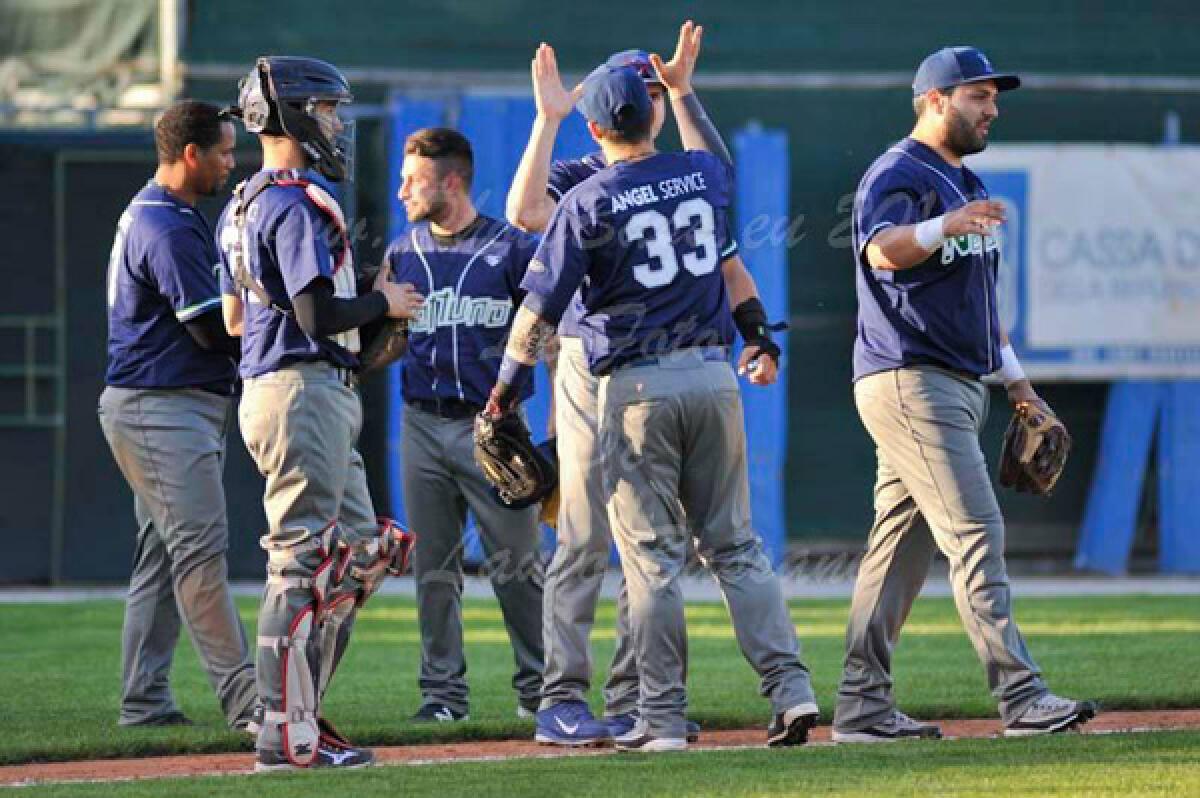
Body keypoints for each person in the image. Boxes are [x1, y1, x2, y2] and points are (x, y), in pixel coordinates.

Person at [487, 62, 819, 752]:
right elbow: (715, 175)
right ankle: (790, 690)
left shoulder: (592, 195)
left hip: (631, 385)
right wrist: (686, 89)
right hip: (707, 374)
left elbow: (538, 307)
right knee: (729, 547)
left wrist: (505, 390)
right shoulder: (699, 176)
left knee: (651, 560)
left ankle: (655, 714)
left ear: (595, 122)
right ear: (655, 112)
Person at [832, 46, 1097, 743]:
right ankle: (1021, 695)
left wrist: (1019, 384)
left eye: (993, 97)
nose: (992, 108)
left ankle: (861, 707)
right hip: (910, 379)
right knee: (977, 531)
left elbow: (979, 304)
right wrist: (942, 227)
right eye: (978, 95)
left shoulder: (963, 182)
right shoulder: (899, 172)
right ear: (934, 100)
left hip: (954, 383)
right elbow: (883, 249)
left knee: (900, 549)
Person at [218, 56, 422, 771]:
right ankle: (280, 733)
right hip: (300, 389)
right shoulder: (299, 199)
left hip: (289, 387)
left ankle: (299, 712)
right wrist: (383, 305)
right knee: (303, 566)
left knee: (362, 554)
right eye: (327, 109)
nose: (336, 122)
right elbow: (313, 316)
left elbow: (239, 319)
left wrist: (354, 304)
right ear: (297, 115)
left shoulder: (242, 201)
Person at [98, 99, 258, 732]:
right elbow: (211, 334)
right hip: (160, 409)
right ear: (190, 154)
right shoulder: (165, 223)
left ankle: (143, 698)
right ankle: (249, 704)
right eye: (222, 150)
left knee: (163, 558)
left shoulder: (164, 213)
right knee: (200, 554)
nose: (230, 160)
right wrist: (286, 336)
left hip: (159, 405)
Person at [383, 127, 545, 722]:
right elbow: (385, 344)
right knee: (434, 570)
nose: (402, 189)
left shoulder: (512, 250)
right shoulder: (403, 253)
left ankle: (540, 692)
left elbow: (546, 338)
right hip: (421, 423)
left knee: (518, 568)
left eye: (414, 179)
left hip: (493, 429)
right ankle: (442, 697)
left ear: (451, 181)